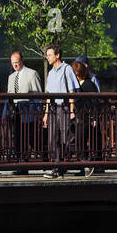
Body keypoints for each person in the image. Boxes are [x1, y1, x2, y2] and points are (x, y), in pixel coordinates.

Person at [40, 45, 78, 179]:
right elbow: (49, 94)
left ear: (57, 55)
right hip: (53, 108)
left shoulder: (67, 69)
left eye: (49, 55)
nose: (47, 57)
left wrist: (72, 110)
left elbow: (72, 91)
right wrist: (45, 114)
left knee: (66, 137)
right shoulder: (51, 73)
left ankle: (67, 162)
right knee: (53, 138)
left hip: (65, 107)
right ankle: (56, 166)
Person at [5, 51, 43, 172]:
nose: (15, 65)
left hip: (28, 110)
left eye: (17, 62)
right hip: (15, 110)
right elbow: (9, 95)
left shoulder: (32, 73)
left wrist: (39, 112)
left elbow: (37, 93)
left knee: (30, 136)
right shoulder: (11, 77)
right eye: (13, 63)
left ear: (22, 61)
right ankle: (21, 163)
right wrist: (5, 112)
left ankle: (44, 158)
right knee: (17, 136)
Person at [72, 58, 101, 176]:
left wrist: (95, 118)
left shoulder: (88, 85)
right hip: (81, 117)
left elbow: (95, 102)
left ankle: (87, 166)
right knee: (79, 142)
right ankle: (84, 166)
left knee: (83, 141)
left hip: (86, 117)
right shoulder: (79, 85)